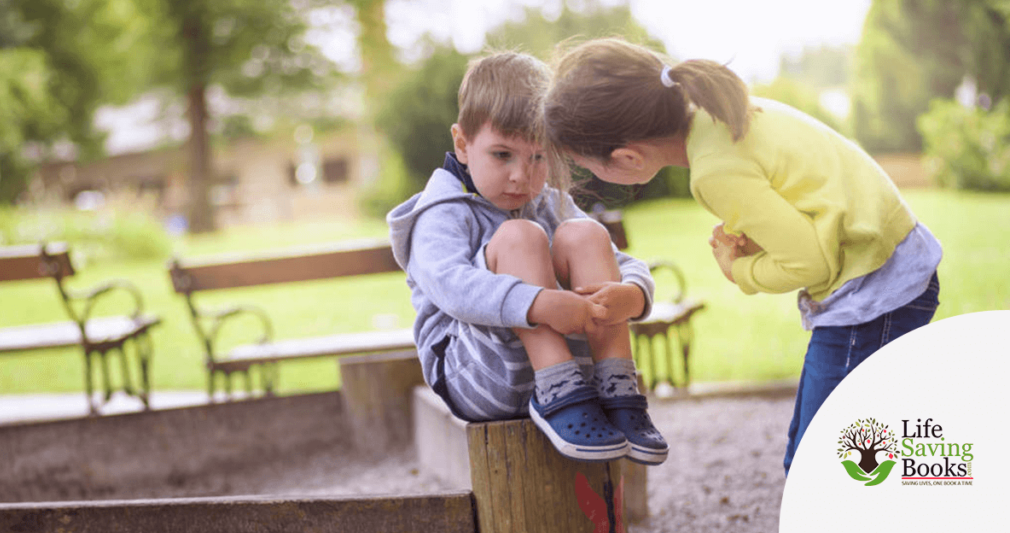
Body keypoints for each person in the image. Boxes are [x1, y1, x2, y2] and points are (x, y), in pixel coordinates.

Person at [541, 38, 942, 474]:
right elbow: (811, 200)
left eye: (586, 164)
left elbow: (811, 263)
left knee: (820, 463)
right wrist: (766, 241)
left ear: (626, 157)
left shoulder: (715, 170)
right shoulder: (720, 114)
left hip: (874, 289)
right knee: (825, 452)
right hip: (889, 262)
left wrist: (740, 270)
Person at [387, 51, 669, 465]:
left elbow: (617, 259)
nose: (522, 175)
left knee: (585, 232)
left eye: (538, 157)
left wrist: (633, 294)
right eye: (502, 155)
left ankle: (618, 386)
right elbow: (451, 287)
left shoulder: (549, 201)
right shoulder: (441, 212)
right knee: (520, 237)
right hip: (478, 376)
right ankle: (559, 392)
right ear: (463, 144)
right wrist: (537, 303)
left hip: (579, 378)